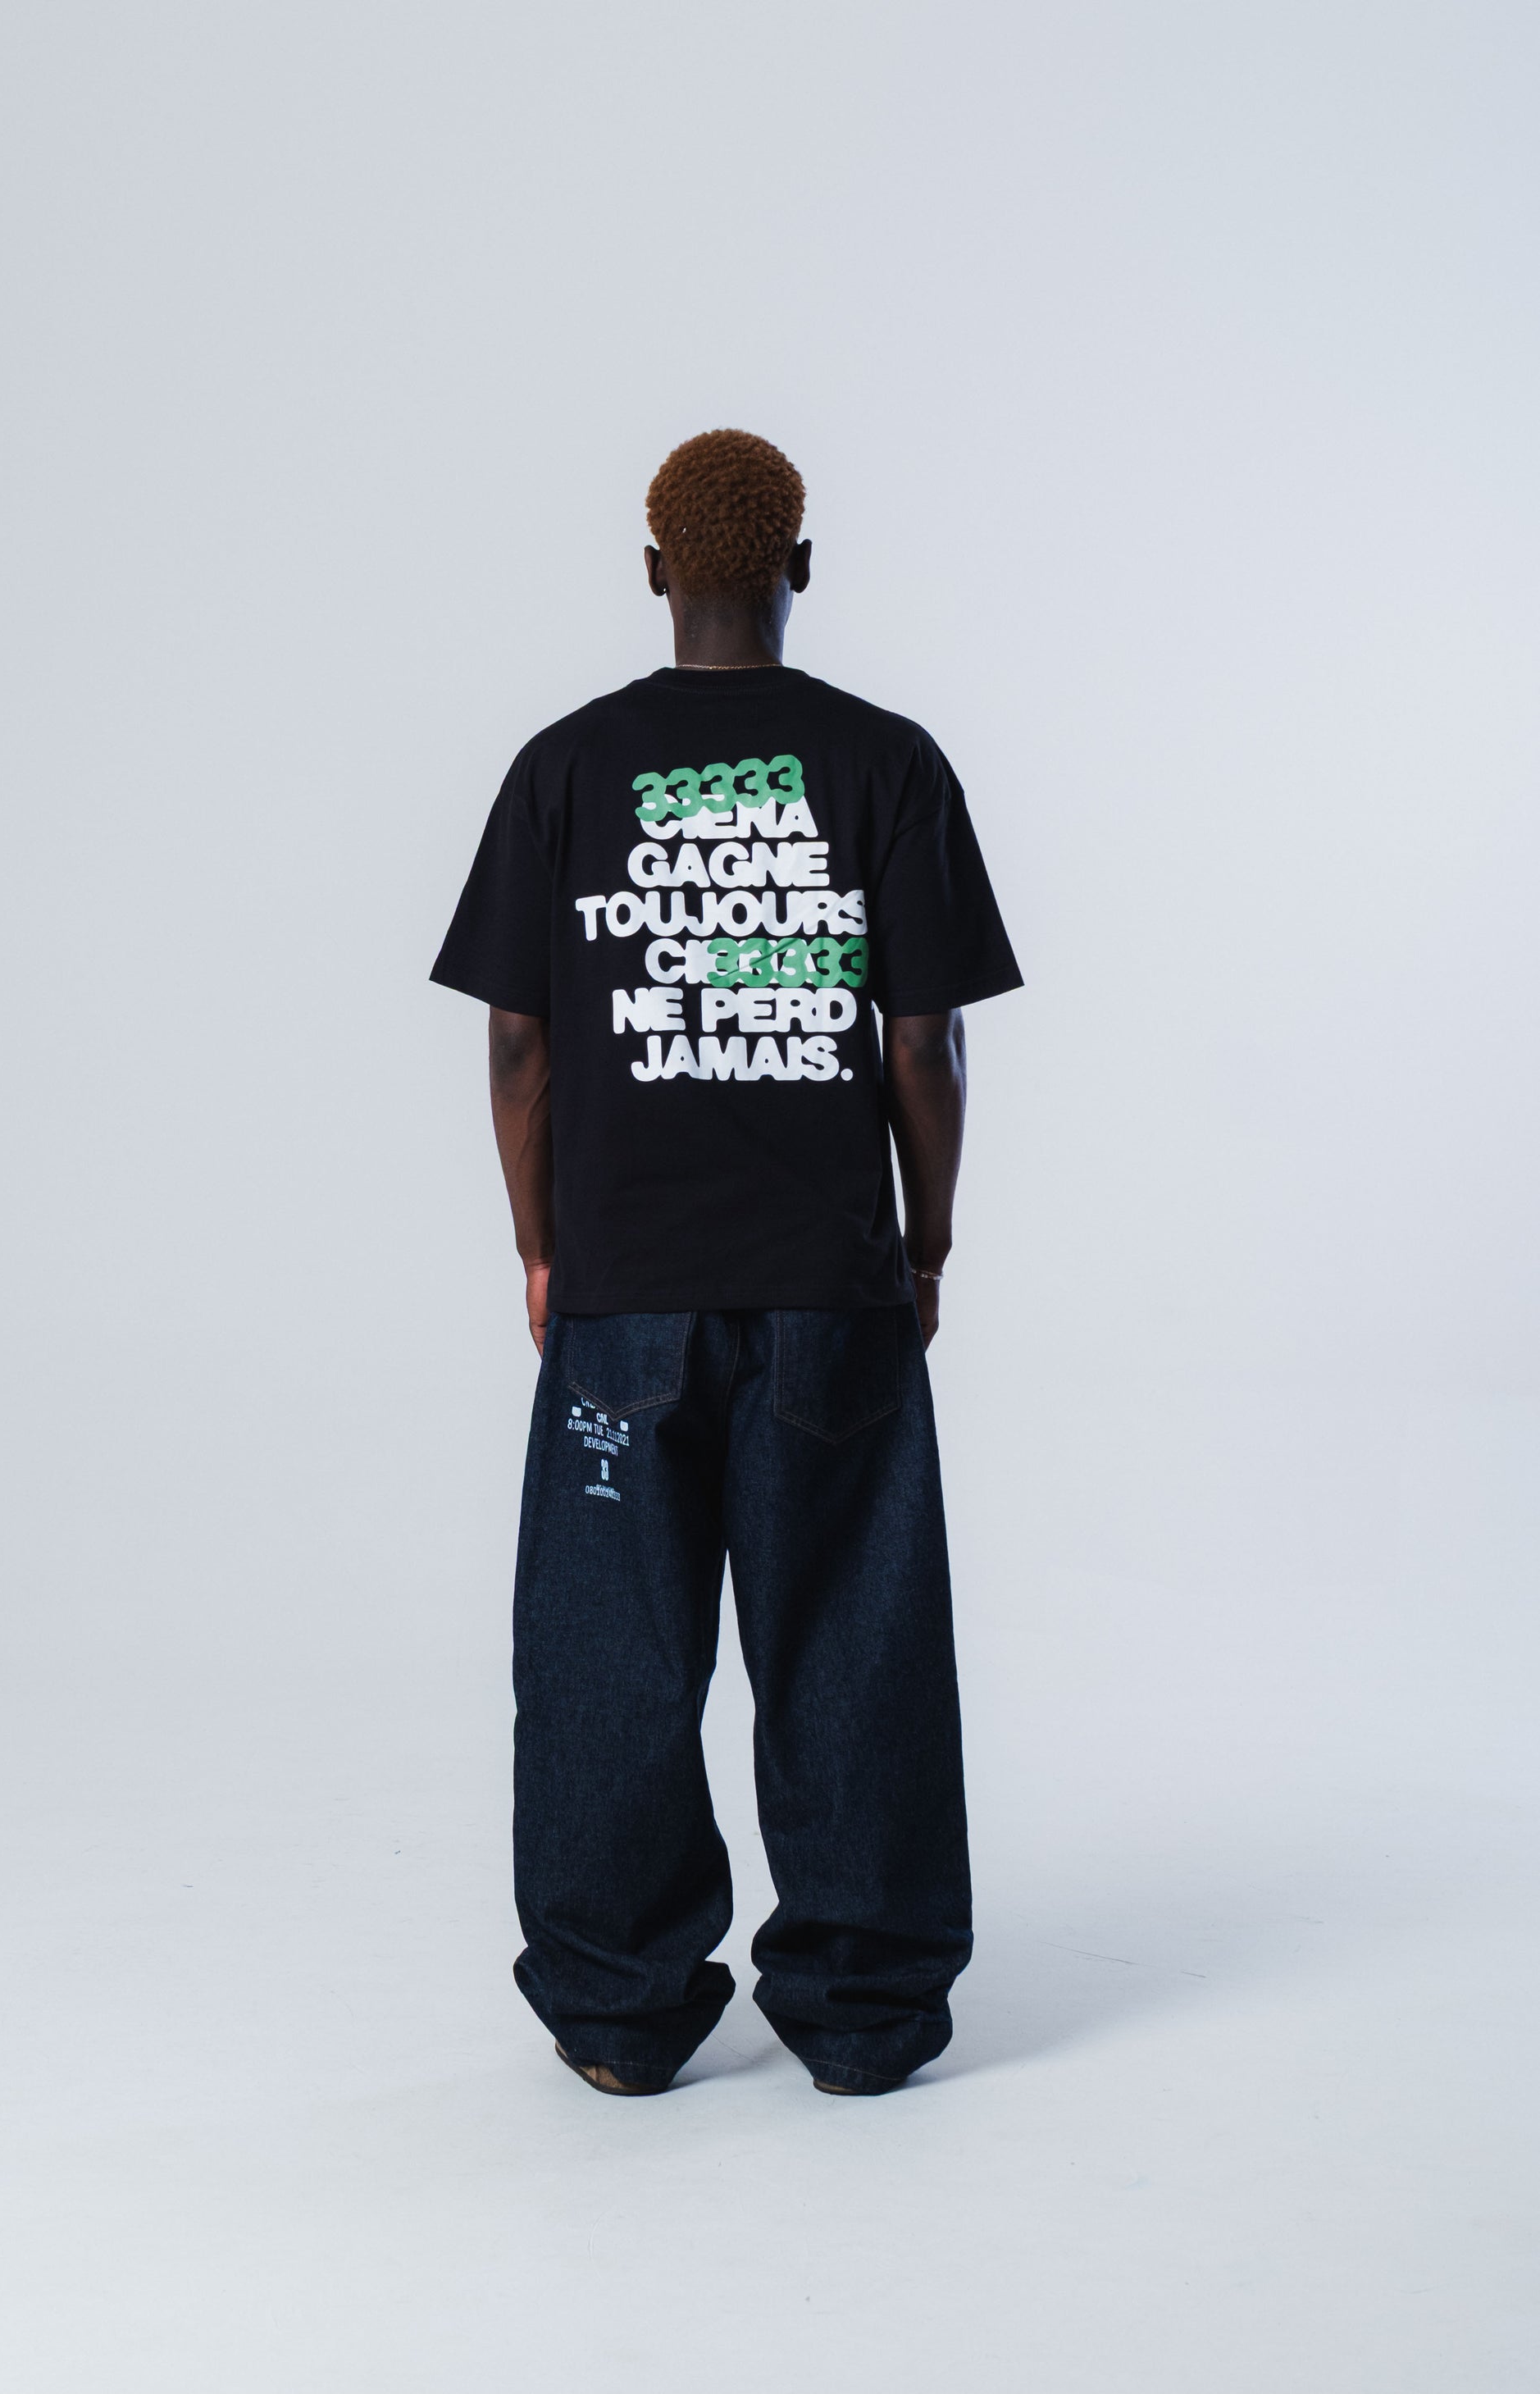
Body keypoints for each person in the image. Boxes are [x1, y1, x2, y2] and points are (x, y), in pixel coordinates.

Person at [431, 428, 1022, 2097]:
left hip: (622, 1292)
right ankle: (865, 2013)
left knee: (607, 1650)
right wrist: (925, 1240)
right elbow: (925, 1044)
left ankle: (618, 2015)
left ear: (652, 571)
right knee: (853, 1640)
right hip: (830, 1286)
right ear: (799, 567)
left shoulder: (564, 768)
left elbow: (518, 1043)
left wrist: (540, 1243)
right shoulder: (885, 764)